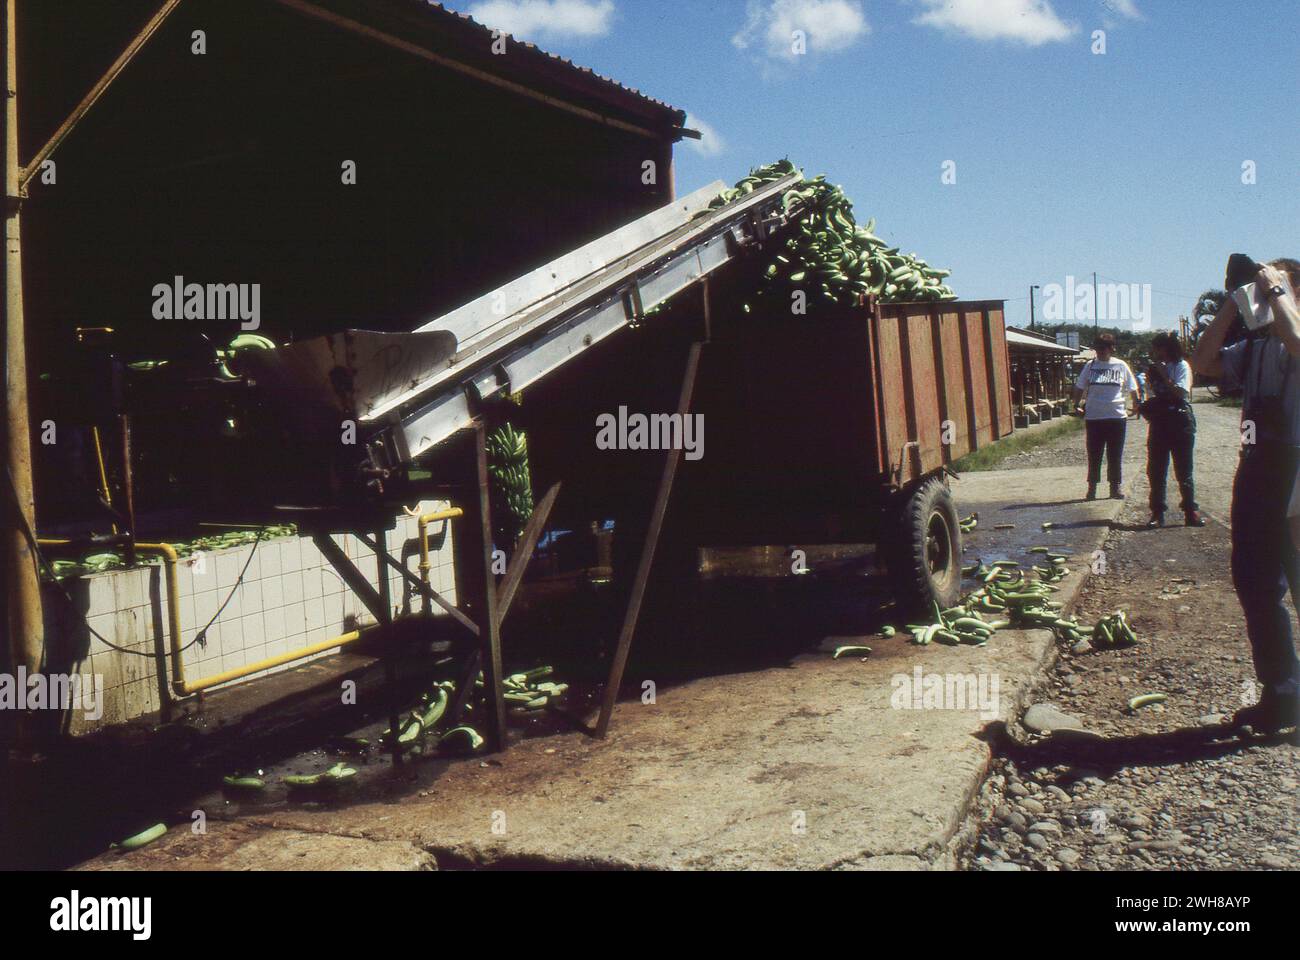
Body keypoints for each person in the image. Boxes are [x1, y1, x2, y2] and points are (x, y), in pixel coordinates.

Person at [1192, 258, 1300, 732]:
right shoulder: (1255, 343)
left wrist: (1278, 291)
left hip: (1299, 469)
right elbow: (1201, 364)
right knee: (1256, 584)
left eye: (1275, 287)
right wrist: (1234, 302)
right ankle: (1282, 693)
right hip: (1259, 469)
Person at [1142, 332, 1206, 527]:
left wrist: (1163, 374)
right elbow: (1151, 394)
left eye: (1158, 348)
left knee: (1184, 468)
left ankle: (1190, 511)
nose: (1156, 352)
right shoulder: (1153, 369)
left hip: (1180, 420)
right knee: (1156, 469)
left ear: (1167, 348)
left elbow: (1180, 392)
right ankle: (1157, 512)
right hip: (1160, 420)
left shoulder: (1181, 366)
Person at [1072, 333, 1140, 500]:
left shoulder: (1121, 365)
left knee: (1114, 454)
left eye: (1104, 348)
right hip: (1094, 417)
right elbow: (1080, 386)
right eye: (1098, 348)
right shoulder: (1090, 366)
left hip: (1116, 417)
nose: (1100, 352)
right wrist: (1075, 405)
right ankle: (1092, 487)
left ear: (1111, 348)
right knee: (1094, 454)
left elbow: (1133, 387)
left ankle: (1114, 487)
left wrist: (1136, 404)